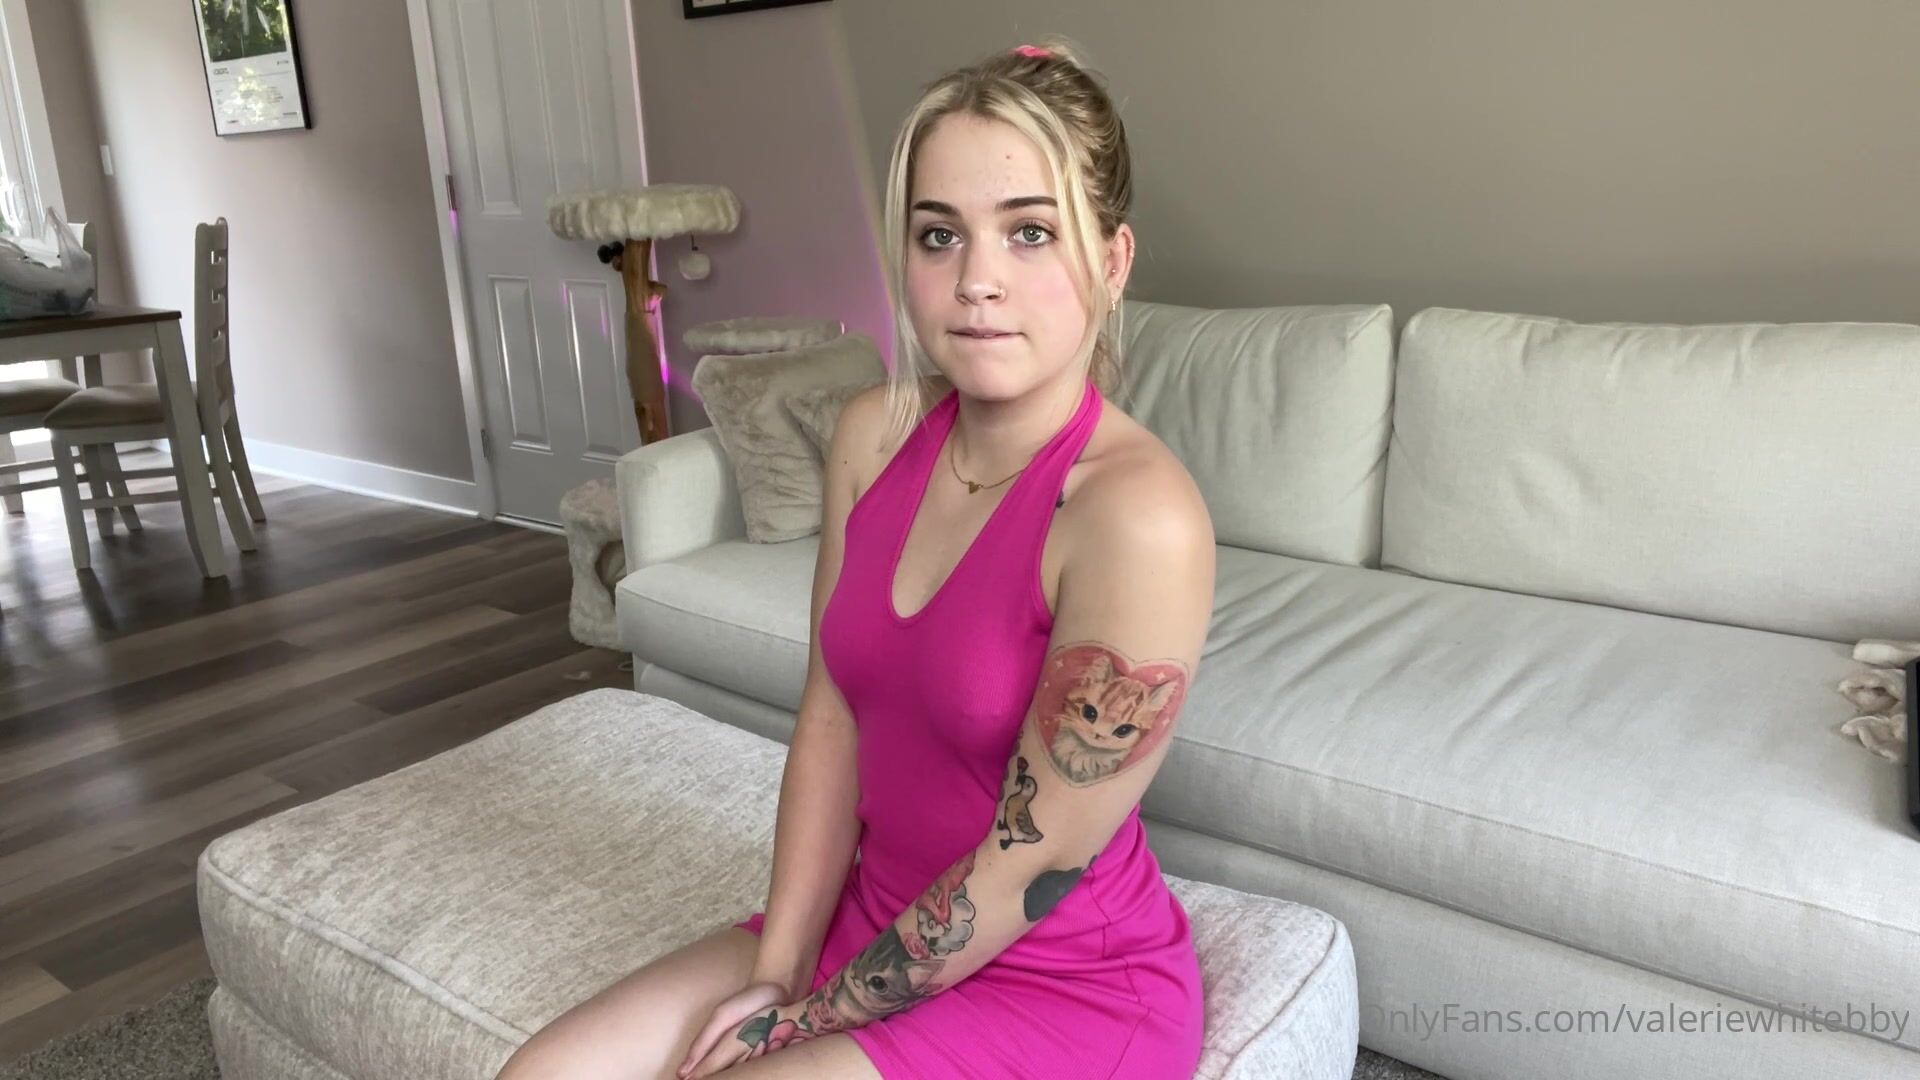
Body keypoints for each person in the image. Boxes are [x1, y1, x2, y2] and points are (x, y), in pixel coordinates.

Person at [495, 36, 1215, 1080]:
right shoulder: (872, 437)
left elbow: (1038, 866)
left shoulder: (1136, 516)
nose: (977, 281)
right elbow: (831, 714)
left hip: (1059, 980)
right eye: (939, 234)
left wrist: (799, 1027)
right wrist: (777, 973)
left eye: (1029, 232)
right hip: (872, 917)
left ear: (1111, 262)